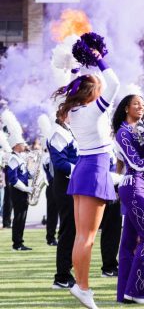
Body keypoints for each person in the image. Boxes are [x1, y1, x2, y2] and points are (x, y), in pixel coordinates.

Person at [52, 47, 120, 309]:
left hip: (83, 168)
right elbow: (114, 82)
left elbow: (78, 85)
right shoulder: (93, 110)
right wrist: (100, 58)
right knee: (87, 237)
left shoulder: (75, 111)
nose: (102, 90)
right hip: (94, 169)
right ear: (92, 93)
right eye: (98, 88)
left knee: (82, 235)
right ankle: (82, 287)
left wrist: (77, 69)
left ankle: (81, 286)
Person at [113, 95, 144, 304]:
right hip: (133, 186)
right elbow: (138, 163)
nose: (140, 107)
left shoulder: (139, 130)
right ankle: (137, 290)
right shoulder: (123, 133)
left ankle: (124, 293)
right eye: (135, 104)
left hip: (140, 186)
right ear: (126, 108)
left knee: (128, 243)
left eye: (142, 104)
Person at [47, 115, 79, 289]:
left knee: (73, 230)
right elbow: (60, 162)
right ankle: (61, 276)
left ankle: (67, 271)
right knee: (68, 230)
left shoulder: (68, 131)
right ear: (62, 113)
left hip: (72, 183)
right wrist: (82, 170)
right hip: (64, 183)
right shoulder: (58, 132)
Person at [3, 109, 31, 251]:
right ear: (15, 145)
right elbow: (13, 179)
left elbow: (23, 173)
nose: (24, 145)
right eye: (21, 143)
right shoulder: (14, 158)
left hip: (23, 190)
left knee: (22, 217)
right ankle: (17, 243)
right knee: (19, 217)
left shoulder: (20, 157)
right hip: (18, 190)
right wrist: (26, 188)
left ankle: (20, 242)